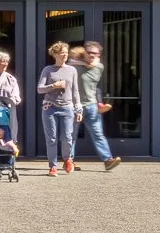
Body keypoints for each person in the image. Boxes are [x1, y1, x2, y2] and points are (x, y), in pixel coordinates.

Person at [75, 38, 119, 171]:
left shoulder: (99, 67)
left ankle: (108, 160)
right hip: (76, 106)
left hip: (91, 106)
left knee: (98, 134)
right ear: (84, 52)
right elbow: (71, 62)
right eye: (90, 52)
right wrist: (82, 61)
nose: (92, 55)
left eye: (96, 53)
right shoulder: (74, 67)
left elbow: (94, 81)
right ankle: (69, 161)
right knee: (71, 135)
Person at [37, 40, 80, 177]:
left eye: (66, 53)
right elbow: (40, 89)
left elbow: (75, 91)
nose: (65, 55)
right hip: (50, 107)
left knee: (67, 137)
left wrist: (78, 109)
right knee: (51, 138)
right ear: (54, 54)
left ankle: (67, 159)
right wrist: (54, 86)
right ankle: (53, 166)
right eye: (62, 53)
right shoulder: (48, 70)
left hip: (67, 107)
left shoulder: (72, 70)